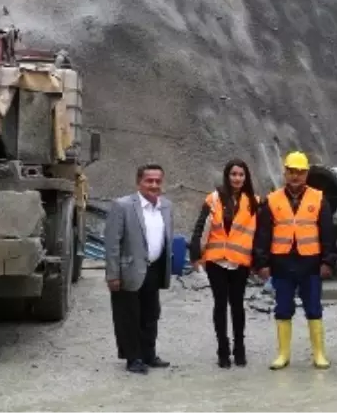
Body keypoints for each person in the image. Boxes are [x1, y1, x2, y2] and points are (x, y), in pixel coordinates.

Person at [252, 150, 337, 370]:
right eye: (291, 172)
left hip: (311, 263)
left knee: (314, 308)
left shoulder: (319, 199)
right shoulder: (272, 200)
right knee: (283, 308)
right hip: (282, 263)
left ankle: (319, 353)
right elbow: (263, 234)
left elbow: (327, 232)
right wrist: (261, 263)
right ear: (285, 173)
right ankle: (283, 354)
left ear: (306, 174)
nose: (295, 176)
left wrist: (328, 261)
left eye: (299, 172)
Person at [189, 159, 258, 368]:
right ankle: (222, 349)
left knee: (237, 305)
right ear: (227, 176)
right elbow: (201, 227)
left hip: (240, 261)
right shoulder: (214, 199)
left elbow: (260, 233)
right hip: (216, 260)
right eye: (233, 174)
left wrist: (260, 260)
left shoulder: (254, 201)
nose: (237, 178)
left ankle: (239, 348)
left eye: (241, 175)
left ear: (246, 178)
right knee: (220, 304)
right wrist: (195, 255)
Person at [105, 163, 173, 374]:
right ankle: (133, 358)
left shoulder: (166, 206)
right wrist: (113, 274)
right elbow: (112, 242)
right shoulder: (122, 205)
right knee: (128, 316)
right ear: (139, 182)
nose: (154, 185)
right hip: (128, 272)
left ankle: (149, 354)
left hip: (154, 268)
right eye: (149, 180)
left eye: (158, 181)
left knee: (151, 314)